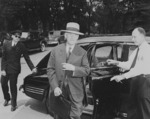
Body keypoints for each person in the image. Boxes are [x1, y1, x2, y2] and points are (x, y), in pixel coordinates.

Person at [47, 22, 90, 119]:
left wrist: (74, 68)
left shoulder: (82, 52)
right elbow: (50, 69)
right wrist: (55, 87)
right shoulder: (56, 50)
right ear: (66, 35)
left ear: (78, 37)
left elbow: (87, 70)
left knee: (74, 117)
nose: (72, 37)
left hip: (76, 92)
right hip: (59, 92)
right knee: (59, 116)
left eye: (75, 35)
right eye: (70, 34)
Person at [107, 27, 150, 119]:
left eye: (135, 37)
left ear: (142, 36)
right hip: (136, 82)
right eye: (132, 37)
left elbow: (139, 68)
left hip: (145, 83)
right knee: (133, 110)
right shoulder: (136, 50)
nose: (132, 39)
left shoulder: (147, 50)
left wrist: (123, 76)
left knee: (144, 111)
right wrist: (117, 63)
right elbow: (130, 64)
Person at [1, 30, 37, 111]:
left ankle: (14, 104)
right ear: (12, 36)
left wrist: (32, 68)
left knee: (13, 86)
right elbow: (3, 58)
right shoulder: (6, 44)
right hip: (6, 68)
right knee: (3, 84)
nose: (18, 38)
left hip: (14, 69)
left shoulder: (22, 46)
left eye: (19, 37)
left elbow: (27, 58)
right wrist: (2, 69)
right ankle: (7, 98)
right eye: (16, 36)